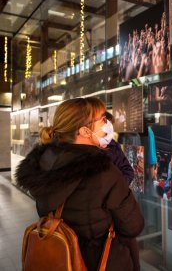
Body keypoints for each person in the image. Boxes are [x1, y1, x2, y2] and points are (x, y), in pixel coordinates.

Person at [15, 98, 144, 271]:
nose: (107, 124)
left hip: (60, 257)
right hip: (101, 262)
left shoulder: (44, 162)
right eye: (103, 119)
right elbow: (133, 225)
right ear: (84, 131)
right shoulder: (104, 171)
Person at [104, 111, 135, 185]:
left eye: (111, 126)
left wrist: (115, 188)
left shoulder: (113, 145)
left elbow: (128, 171)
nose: (110, 129)